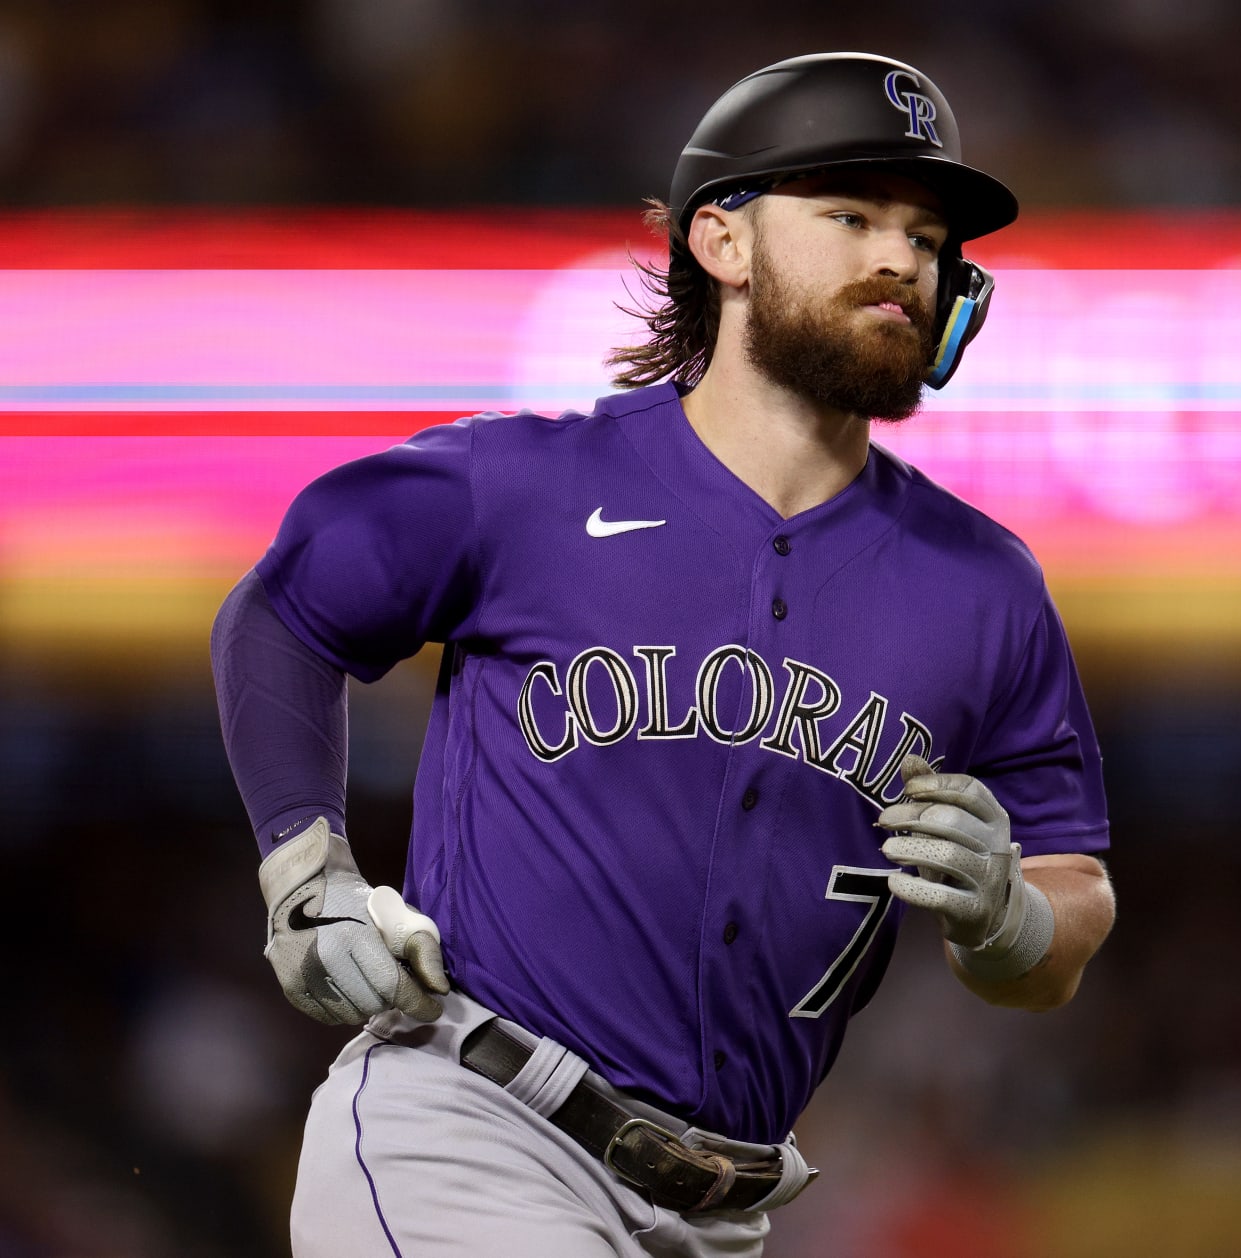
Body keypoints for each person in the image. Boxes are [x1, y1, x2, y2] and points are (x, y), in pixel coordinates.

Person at [212, 51, 1114, 1257]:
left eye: (925, 232)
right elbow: (283, 612)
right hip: (473, 1132)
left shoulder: (983, 585)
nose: (900, 256)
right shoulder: (524, 483)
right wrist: (302, 864)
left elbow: (1073, 891)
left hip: (724, 1217)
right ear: (723, 245)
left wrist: (1011, 919)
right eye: (849, 216)